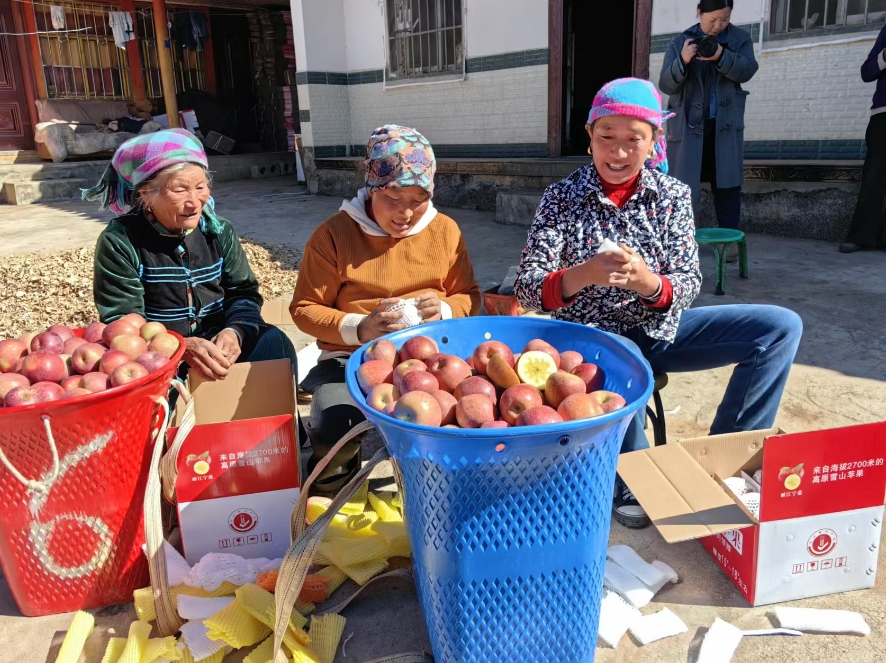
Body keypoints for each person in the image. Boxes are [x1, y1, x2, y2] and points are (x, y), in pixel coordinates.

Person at [515, 78, 802, 529]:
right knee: (619, 353)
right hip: (588, 345)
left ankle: (724, 462)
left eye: (634, 140)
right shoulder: (561, 199)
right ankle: (635, 472)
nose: (618, 151)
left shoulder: (671, 196)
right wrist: (582, 275)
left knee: (778, 327)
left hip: (657, 330)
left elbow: (688, 282)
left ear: (654, 143)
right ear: (589, 135)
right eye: (607, 136)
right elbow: (529, 287)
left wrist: (650, 284)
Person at [291, 125, 481, 492]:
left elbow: (470, 297)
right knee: (335, 430)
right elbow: (304, 309)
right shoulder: (333, 235)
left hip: (432, 363)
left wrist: (442, 309)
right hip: (351, 361)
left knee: (464, 422)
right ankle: (330, 505)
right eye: (393, 198)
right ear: (372, 189)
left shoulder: (445, 231)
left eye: (418, 198)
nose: (405, 213)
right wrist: (361, 328)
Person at [86, 129, 298, 382]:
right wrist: (181, 346)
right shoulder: (121, 240)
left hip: (221, 346)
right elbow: (123, 324)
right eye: (180, 190)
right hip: (159, 357)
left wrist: (236, 331)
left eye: (200, 187)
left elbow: (243, 292)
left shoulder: (219, 231)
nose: (195, 202)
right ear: (145, 194)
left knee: (275, 345)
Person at [659, 0, 758, 244]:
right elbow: (666, 85)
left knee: (727, 187)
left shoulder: (740, 39)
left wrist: (721, 55)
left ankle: (730, 243)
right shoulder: (681, 41)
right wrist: (682, 60)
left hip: (723, 126)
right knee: (683, 188)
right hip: (689, 127)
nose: (718, 25)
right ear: (699, 12)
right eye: (712, 19)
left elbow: (747, 70)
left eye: (724, 19)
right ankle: (680, 242)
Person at [840, 23, 886, 253]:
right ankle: (861, 236)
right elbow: (867, 72)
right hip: (884, 114)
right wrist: (885, 55)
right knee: (874, 177)